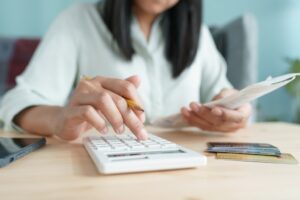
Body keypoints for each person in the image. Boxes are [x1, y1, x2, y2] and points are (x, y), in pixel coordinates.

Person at [0, 0, 252, 141]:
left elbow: (222, 91)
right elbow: (17, 100)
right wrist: (59, 119)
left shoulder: (199, 33)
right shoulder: (77, 20)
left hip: (190, 171)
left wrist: (234, 107)